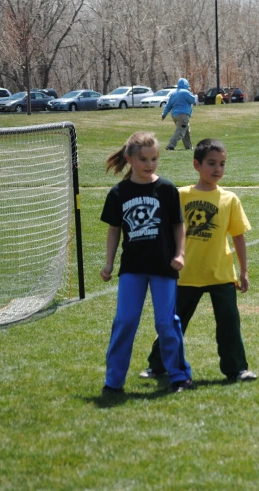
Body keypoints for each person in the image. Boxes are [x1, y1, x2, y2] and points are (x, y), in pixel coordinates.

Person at [140, 138, 257, 383]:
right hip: (185, 274)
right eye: (211, 163)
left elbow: (238, 237)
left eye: (222, 164)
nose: (217, 169)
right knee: (172, 325)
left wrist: (244, 271)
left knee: (229, 325)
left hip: (221, 273)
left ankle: (237, 369)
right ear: (196, 165)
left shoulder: (230, 199)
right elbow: (164, 230)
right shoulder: (180, 194)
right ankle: (157, 365)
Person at [100, 132, 192, 394]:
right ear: (129, 159)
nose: (149, 164)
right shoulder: (119, 193)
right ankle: (113, 382)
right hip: (132, 268)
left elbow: (178, 225)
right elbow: (114, 230)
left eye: (154, 159)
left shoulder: (166, 189)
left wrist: (180, 254)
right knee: (125, 321)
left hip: (164, 266)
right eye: (143, 159)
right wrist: (109, 263)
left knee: (166, 322)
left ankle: (178, 375)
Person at [161, 78, 196, 151]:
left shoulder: (173, 93)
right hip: (183, 115)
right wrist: (191, 93)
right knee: (180, 131)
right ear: (186, 84)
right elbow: (193, 100)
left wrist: (164, 114)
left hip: (175, 115)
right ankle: (170, 145)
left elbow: (168, 105)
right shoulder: (185, 92)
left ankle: (189, 148)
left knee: (186, 131)